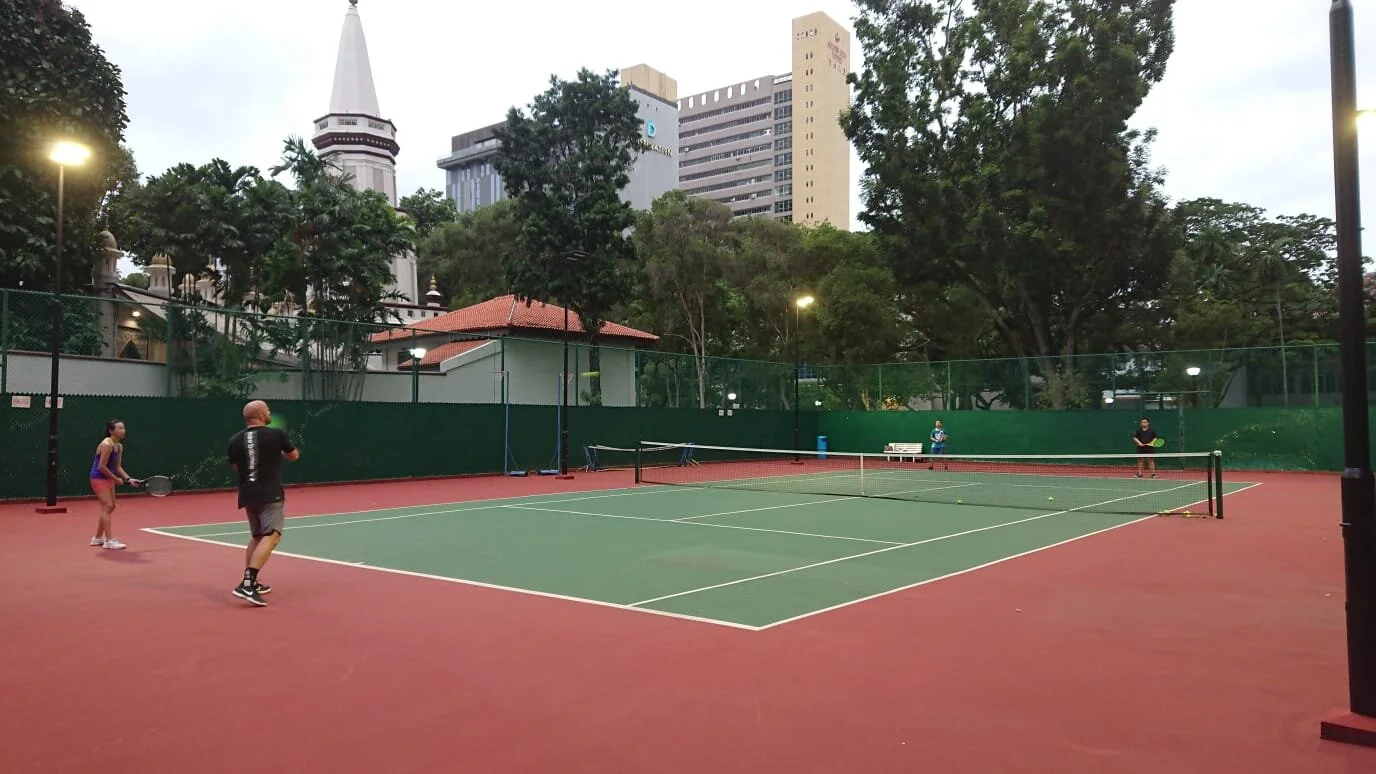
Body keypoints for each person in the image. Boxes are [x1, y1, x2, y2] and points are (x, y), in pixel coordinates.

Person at [226, 400, 299, 606]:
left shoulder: (235, 439)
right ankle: (247, 584)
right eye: (267, 410)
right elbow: (294, 456)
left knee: (257, 536)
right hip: (270, 493)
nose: (269, 413)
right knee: (271, 536)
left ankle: (252, 581)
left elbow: (236, 467)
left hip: (248, 494)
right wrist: (277, 454)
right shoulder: (276, 434)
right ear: (260, 415)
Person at [88, 419, 140, 550]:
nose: (123, 430)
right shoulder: (107, 444)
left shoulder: (119, 446)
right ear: (111, 431)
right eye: (120, 428)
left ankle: (98, 538)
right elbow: (101, 467)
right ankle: (109, 541)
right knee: (108, 506)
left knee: (110, 507)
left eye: (123, 428)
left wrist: (129, 479)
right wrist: (116, 479)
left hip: (108, 478)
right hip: (98, 478)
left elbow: (117, 466)